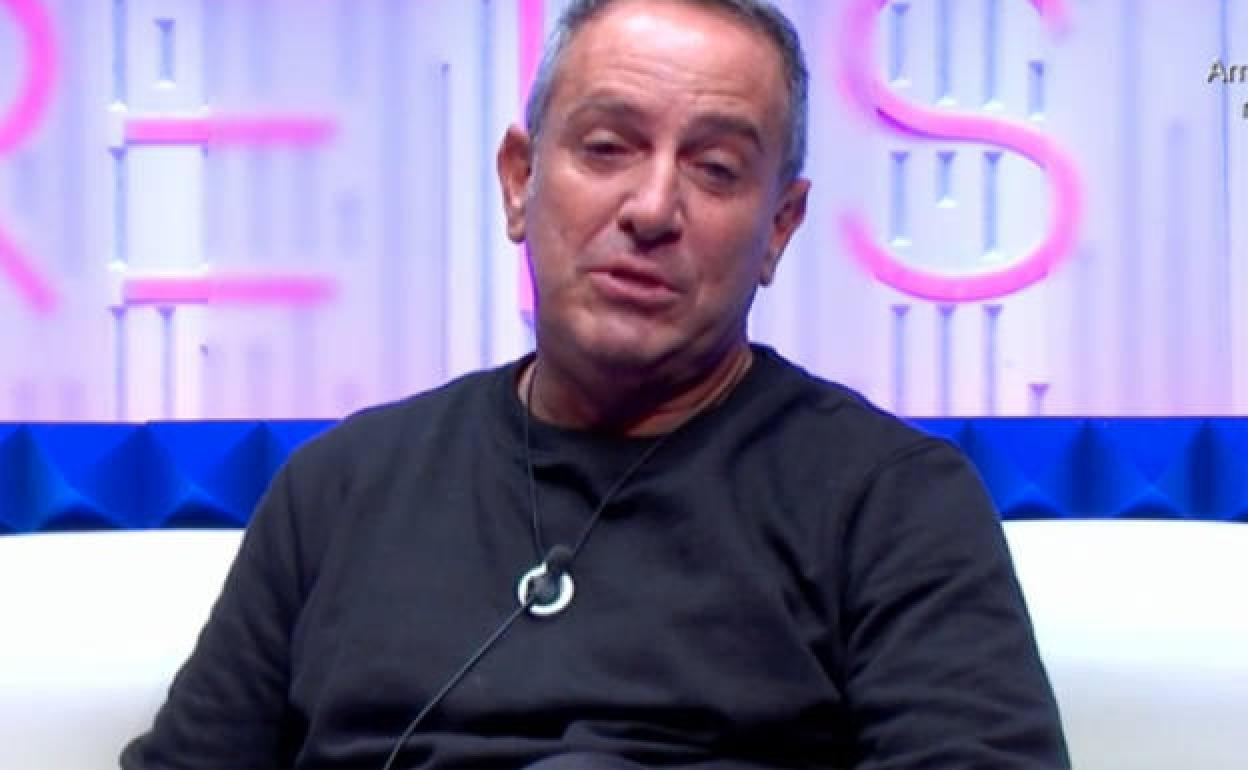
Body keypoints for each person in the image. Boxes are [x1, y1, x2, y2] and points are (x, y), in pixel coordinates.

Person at [122, 0, 1070, 768]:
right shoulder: (339, 489)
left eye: (715, 169)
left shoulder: (891, 503)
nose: (652, 209)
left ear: (779, 228)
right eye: (608, 148)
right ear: (519, 180)